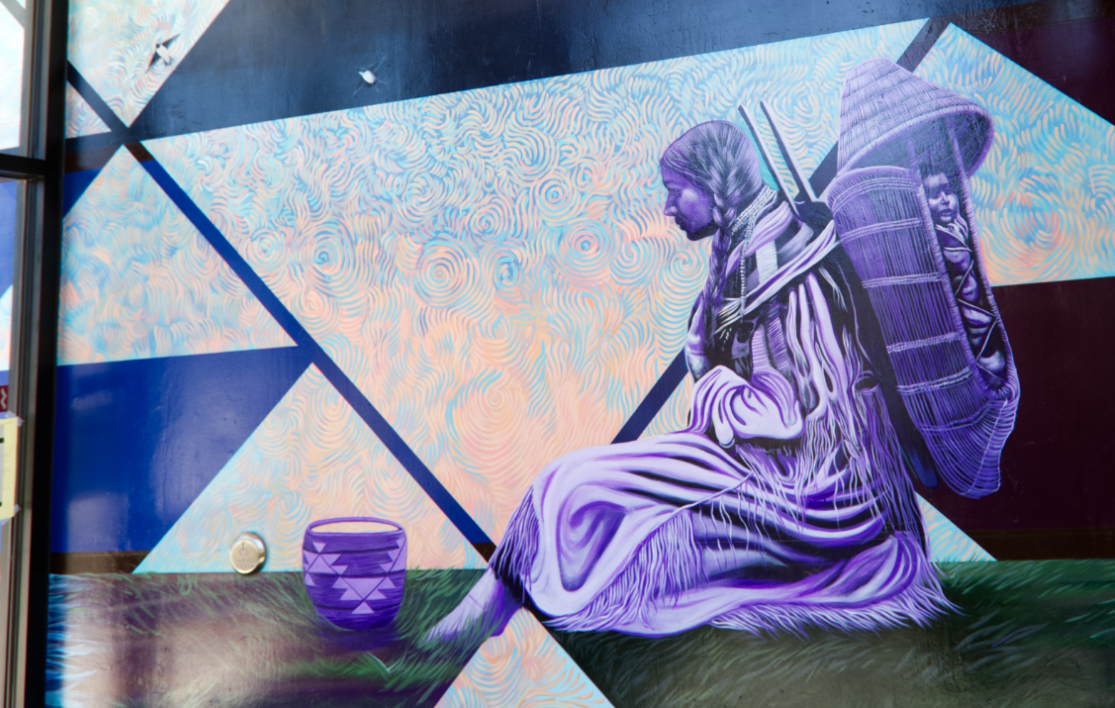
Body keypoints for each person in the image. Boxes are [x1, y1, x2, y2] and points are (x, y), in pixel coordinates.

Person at [428, 120, 947, 646]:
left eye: (677, 192)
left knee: (577, 488)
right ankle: (482, 614)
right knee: (569, 484)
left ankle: (477, 619)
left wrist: (714, 383)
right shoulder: (745, 245)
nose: (667, 209)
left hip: (815, 496)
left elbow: (783, 416)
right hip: (765, 465)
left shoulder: (780, 267)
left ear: (716, 185)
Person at [922, 171, 1006, 385]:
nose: (945, 200)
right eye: (934, 194)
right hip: (965, 323)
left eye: (948, 191)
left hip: (983, 311)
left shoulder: (964, 228)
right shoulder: (934, 240)